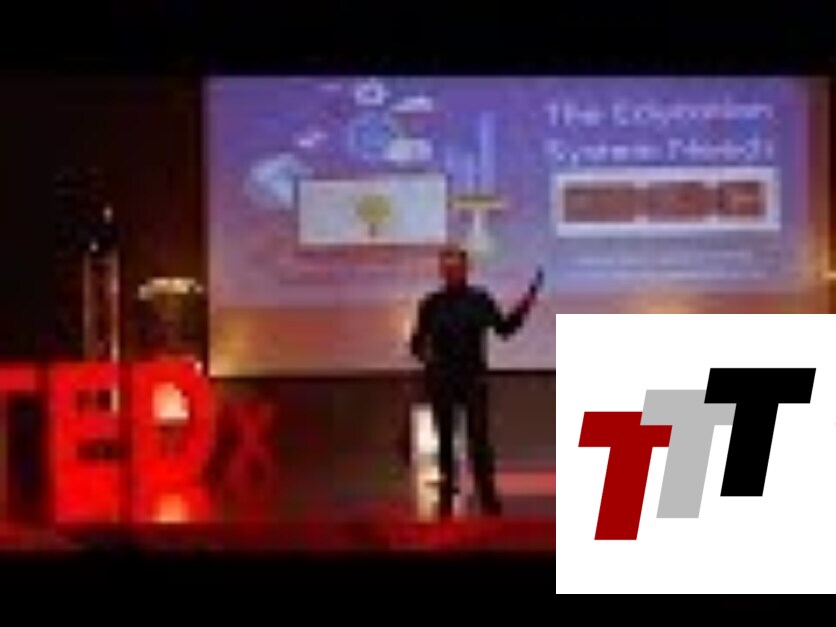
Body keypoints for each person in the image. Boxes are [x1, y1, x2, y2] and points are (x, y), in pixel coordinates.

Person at [409, 244, 543, 518]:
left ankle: (487, 494)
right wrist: (425, 356)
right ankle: (447, 492)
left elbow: (504, 330)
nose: (452, 272)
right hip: (442, 380)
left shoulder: (480, 299)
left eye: (456, 267)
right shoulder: (430, 303)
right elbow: (416, 342)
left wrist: (525, 305)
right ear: (441, 272)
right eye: (447, 268)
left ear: (466, 269)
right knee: (445, 438)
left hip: (473, 379)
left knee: (479, 439)